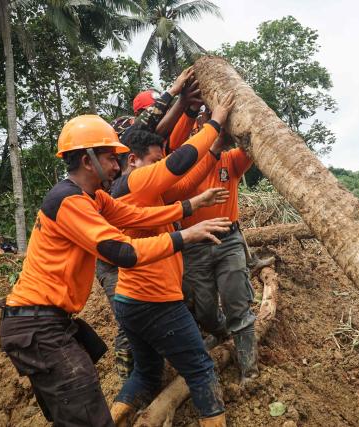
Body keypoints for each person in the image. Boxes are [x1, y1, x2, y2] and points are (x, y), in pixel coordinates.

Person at [0, 114, 231, 426]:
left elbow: (133, 216)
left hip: (47, 324)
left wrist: (190, 207)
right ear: (87, 160)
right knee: (90, 417)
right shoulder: (69, 201)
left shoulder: (92, 197)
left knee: (84, 411)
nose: (116, 165)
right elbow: (123, 253)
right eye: (110, 158)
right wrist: (186, 235)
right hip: (39, 328)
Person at [109, 92, 236, 427]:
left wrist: (214, 152)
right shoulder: (135, 181)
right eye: (154, 160)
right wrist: (215, 122)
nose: (160, 165)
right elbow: (178, 164)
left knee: (147, 374)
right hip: (155, 300)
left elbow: (186, 183)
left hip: (130, 299)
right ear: (133, 160)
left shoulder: (144, 191)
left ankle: (113, 419)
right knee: (200, 367)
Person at [96, 70, 203, 381]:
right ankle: (133, 381)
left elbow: (165, 136)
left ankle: (163, 366)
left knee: (178, 297)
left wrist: (188, 107)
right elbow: (142, 132)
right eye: (149, 112)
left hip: (141, 246)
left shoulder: (145, 161)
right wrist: (176, 97)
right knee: (129, 322)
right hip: (114, 256)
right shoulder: (121, 141)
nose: (156, 118)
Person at [174, 114, 259, 386]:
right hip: (193, 248)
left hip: (228, 241)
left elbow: (252, 143)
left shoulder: (231, 159)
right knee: (205, 310)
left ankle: (250, 371)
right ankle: (221, 332)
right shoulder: (181, 166)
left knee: (237, 303)